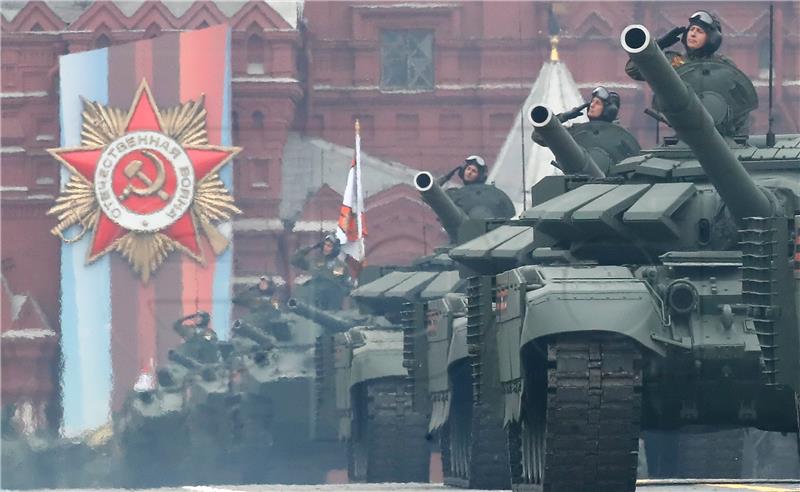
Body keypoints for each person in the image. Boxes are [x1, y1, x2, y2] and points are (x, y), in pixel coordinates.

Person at [625, 10, 734, 81]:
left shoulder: (722, 65)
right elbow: (633, 69)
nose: (693, 34)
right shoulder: (674, 62)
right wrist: (658, 46)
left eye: (699, 31)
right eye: (691, 29)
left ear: (711, 39)